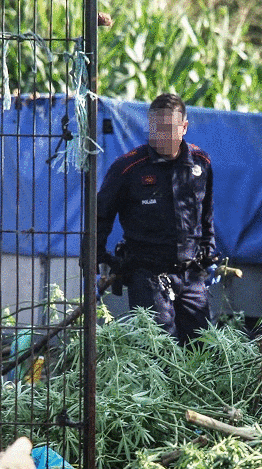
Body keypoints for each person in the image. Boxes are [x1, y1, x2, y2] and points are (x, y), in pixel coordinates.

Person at [96, 92, 216, 345]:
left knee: (204, 347)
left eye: (167, 129)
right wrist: (96, 259)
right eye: (154, 128)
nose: (159, 136)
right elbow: (99, 216)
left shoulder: (200, 163)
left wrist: (209, 251)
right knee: (159, 352)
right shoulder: (128, 168)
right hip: (148, 275)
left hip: (191, 275)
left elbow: (207, 214)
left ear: (183, 128)